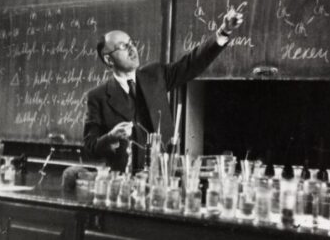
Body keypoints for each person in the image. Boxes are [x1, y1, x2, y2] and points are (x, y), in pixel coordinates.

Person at [84, 9, 244, 172]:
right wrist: (110, 137)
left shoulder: (155, 76)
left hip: (163, 179)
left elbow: (192, 63)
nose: (132, 49)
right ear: (108, 59)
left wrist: (223, 32)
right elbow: (90, 148)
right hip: (123, 186)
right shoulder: (98, 97)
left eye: (131, 43)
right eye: (123, 46)